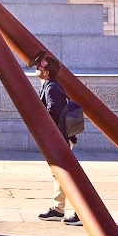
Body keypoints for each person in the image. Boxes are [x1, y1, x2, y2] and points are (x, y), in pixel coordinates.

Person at [34, 51, 80, 225]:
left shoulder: (52, 87)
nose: (37, 67)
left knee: (67, 175)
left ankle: (80, 211)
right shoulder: (48, 84)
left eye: (40, 66)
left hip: (59, 138)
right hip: (60, 137)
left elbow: (52, 111)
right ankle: (58, 209)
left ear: (46, 72)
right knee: (59, 175)